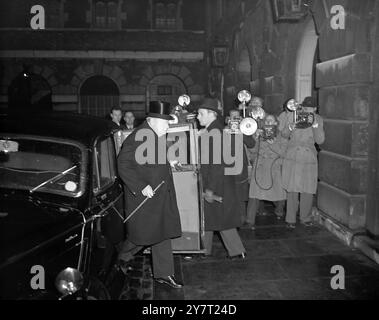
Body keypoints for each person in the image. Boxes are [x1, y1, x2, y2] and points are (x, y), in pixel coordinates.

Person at [117, 101, 183, 289]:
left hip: (160, 196)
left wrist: (168, 162)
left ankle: (163, 274)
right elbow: (123, 165)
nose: (168, 126)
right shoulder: (138, 137)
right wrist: (140, 186)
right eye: (166, 122)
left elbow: (149, 160)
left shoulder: (155, 134)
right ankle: (121, 259)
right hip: (145, 198)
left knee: (161, 233)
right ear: (151, 120)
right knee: (141, 236)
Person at [197, 98, 247, 260]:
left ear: (212, 114)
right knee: (211, 218)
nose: (198, 117)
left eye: (201, 114)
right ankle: (206, 249)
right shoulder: (214, 130)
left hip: (217, 183)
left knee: (219, 219)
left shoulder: (214, 133)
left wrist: (210, 188)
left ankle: (236, 251)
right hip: (218, 182)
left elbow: (217, 164)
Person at [280, 96, 325, 229]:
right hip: (293, 155)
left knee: (308, 189)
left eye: (310, 108)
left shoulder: (318, 119)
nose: (307, 110)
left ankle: (305, 217)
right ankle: (290, 219)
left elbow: (320, 140)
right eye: (305, 107)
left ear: (315, 109)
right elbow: (283, 134)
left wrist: (316, 126)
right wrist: (290, 127)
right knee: (292, 189)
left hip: (308, 157)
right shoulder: (293, 115)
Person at [246, 114, 287, 230]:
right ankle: (250, 220)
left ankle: (279, 211)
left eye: (271, 120)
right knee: (254, 194)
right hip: (260, 167)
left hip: (273, 167)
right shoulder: (260, 133)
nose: (268, 122)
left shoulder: (282, 136)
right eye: (266, 121)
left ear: (276, 123)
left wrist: (272, 144)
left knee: (278, 193)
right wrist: (254, 138)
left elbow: (284, 152)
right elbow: (252, 151)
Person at [225, 109, 256, 224]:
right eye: (233, 117)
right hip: (227, 167)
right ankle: (228, 217)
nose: (235, 120)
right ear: (228, 119)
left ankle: (241, 218)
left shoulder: (244, 131)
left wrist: (242, 131)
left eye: (237, 117)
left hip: (240, 167)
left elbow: (252, 144)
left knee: (241, 194)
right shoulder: (223, 130)